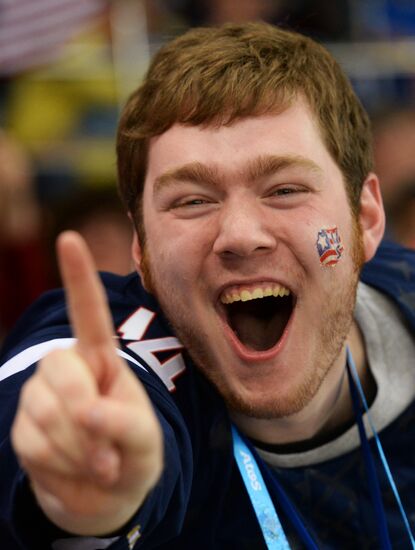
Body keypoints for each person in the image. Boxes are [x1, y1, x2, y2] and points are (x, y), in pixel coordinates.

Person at [0, 21, 414, 549]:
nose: (240, 236)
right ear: (141, 251)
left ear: (366, 217)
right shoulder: (126, 352)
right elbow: (47, 387)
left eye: (284, 189)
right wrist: (81, 492)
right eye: (192, 201)